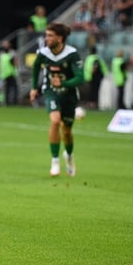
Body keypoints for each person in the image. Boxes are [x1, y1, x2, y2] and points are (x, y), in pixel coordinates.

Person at [30, 22, 85, 177]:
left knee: (66, 131)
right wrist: (34, 88)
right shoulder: (43, 53)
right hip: (51, 92)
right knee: (55, 121)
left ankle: (69, 156)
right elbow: (36, 67)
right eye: (46, 35)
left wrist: (64, 83)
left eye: (50, 35)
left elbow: (81, 78)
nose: (47, 38)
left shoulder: (72, 54)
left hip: (68, 95)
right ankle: (55, 161)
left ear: (60, 38)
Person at [83, 45, 108, 109]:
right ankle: (93, 104)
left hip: (88, 77)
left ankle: (89, 104)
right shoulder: (96, 58)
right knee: (94, 91)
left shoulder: (88, 58)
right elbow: (95, 67)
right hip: (95, 78)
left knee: (90, 91)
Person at [0, 40, 18, 105]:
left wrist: (14, 63)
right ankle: (6, 102)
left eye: (6, 44)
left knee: (14, 88)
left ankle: (14, 102)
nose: (5, 45)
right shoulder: (1, 54)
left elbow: (16, 62)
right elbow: (0, 64)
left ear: (9, 45)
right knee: (5, 90)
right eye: (4, 44)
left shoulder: (12, 53)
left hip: (11, 73)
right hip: (4, 74)